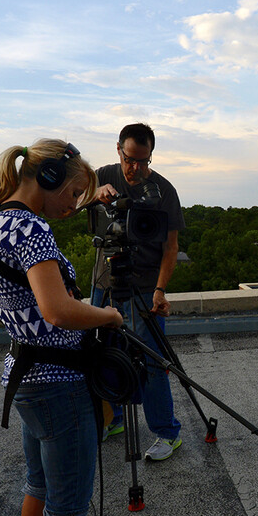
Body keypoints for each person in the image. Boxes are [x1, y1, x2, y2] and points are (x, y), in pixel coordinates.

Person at [0, 138, 134, 516]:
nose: (75, 204)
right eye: (73, 192)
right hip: (58, 382)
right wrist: (107, 314)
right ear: (46, 181)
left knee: (39, 487)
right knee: (67, 503)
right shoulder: (29, 227)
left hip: (29, 377)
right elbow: (58, 310)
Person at [90, 123, 186, 461]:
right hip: (105, 281)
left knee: (152, 359)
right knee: (104, 353)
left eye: (144, 161)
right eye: (131, 160)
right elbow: (67, 205)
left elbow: (171, 248)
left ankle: (166, 432)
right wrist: (92, 193)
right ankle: (112, 419)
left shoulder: (163, 190)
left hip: (145, 286)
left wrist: (161, 289)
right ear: (119, 150)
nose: (137, 169)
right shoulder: (101, 176)